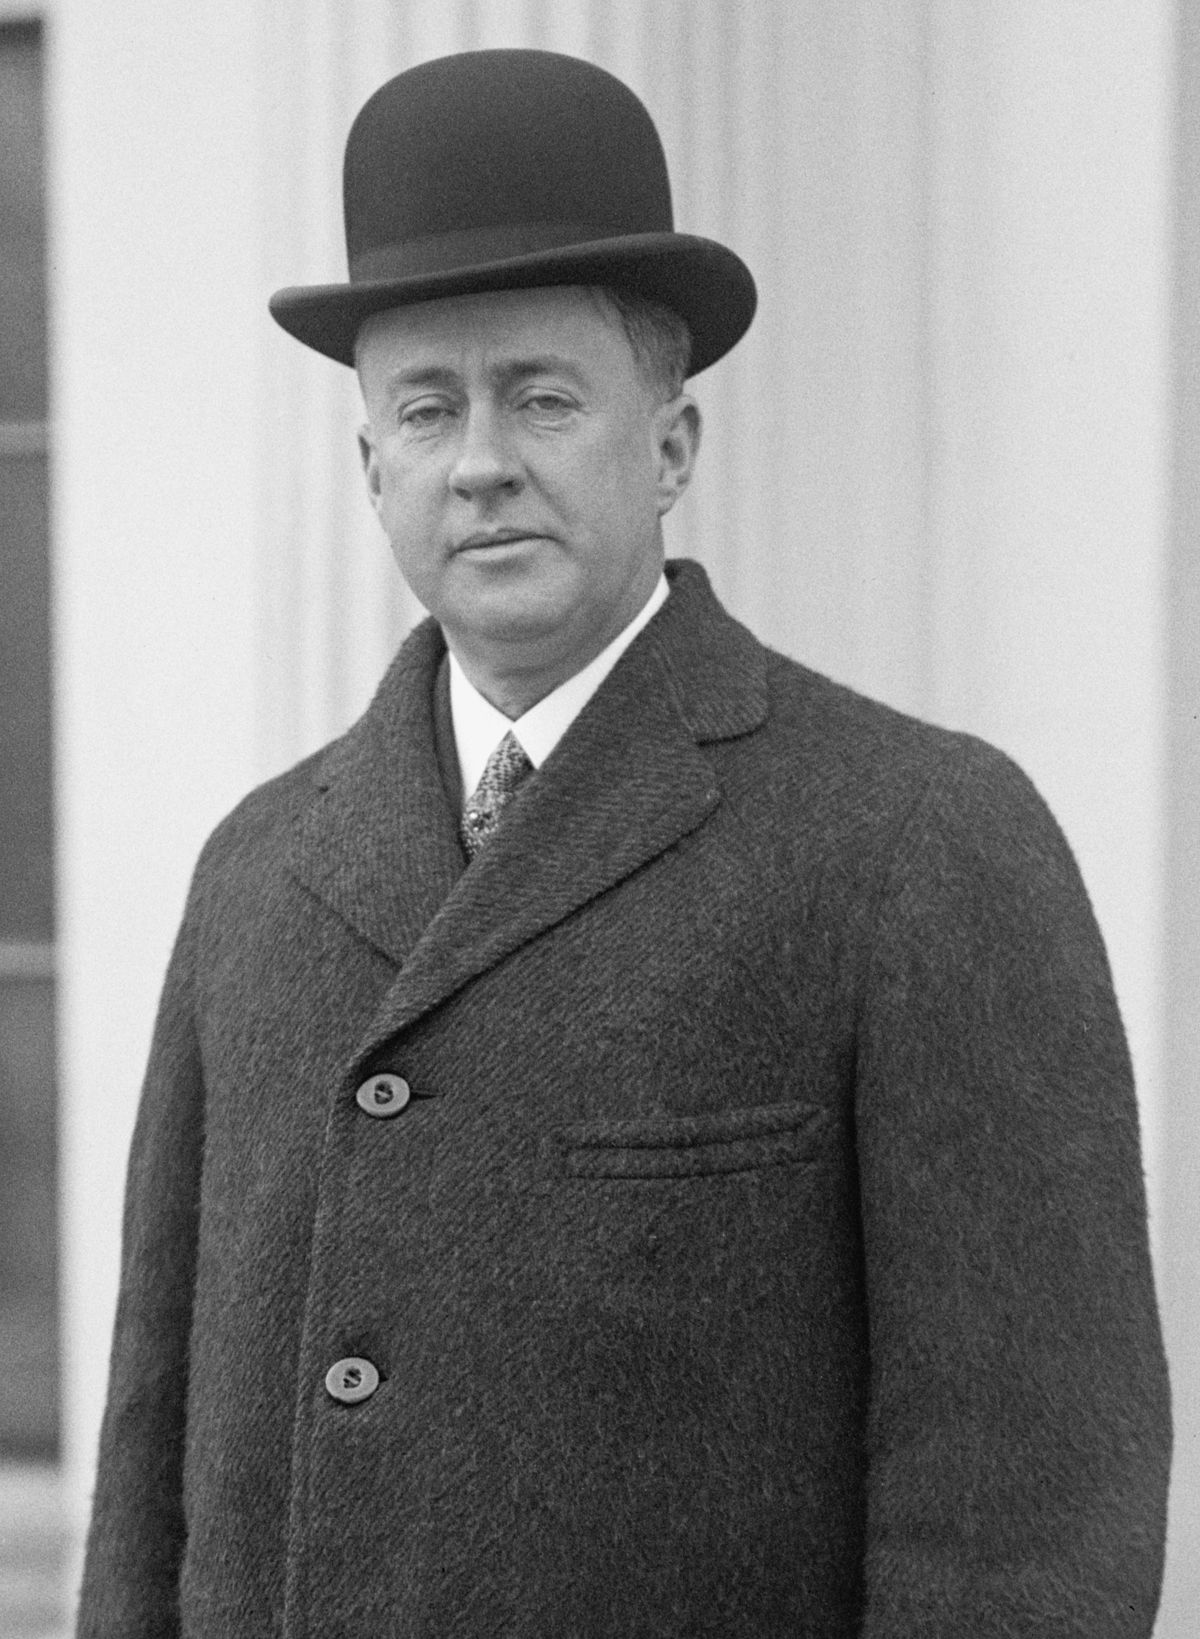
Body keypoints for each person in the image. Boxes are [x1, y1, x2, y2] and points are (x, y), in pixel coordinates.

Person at [76, 48, 1171, 1639]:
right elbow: (150, 1466)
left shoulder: (919, 840)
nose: (481, 460)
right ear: (369, 465)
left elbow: (1029, 1516)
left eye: (541, 396)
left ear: (668, 447)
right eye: (426, 409)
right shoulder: (256, 871)